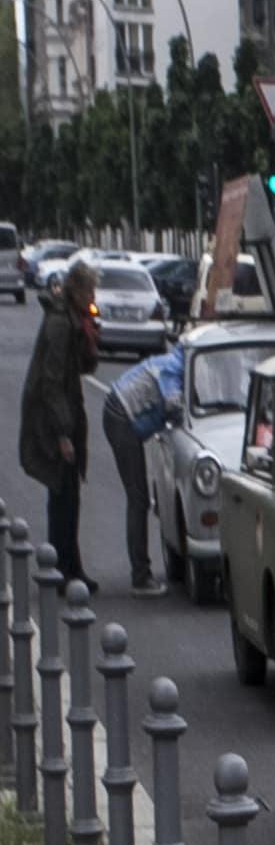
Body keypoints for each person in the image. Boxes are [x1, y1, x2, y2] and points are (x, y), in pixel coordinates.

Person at [19, 255, 98, 588]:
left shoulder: (72, 319)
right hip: (52, 421)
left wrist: (91, 337)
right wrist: (63, 434)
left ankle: (71, 566)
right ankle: (61, 571)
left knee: (69, 495)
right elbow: (51, 382)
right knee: (62, 496)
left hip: (65, 413)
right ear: (76, 289)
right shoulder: (59, 323)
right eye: (90, 290)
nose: (93, 297)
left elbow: (82, 368)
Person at [103, 337, 182, 595]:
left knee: (137, 497)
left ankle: (141, 570)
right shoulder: (175, 367)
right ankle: (140, 576)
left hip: (118, 410)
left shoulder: (173, 360)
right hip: (121, 416)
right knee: (138, 498)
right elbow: (174, 405)